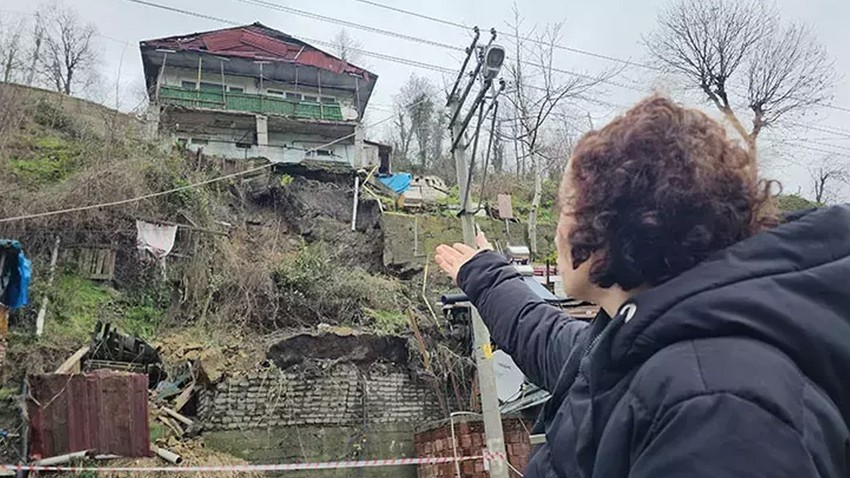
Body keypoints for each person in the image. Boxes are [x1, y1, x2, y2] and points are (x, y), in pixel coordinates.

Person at [435, 96, 850, 477]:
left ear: (608, 221)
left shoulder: (716, 406)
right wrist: (485, 274)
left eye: (565, 206)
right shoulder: (637, 345)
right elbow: (546, 337)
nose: (556, 230)